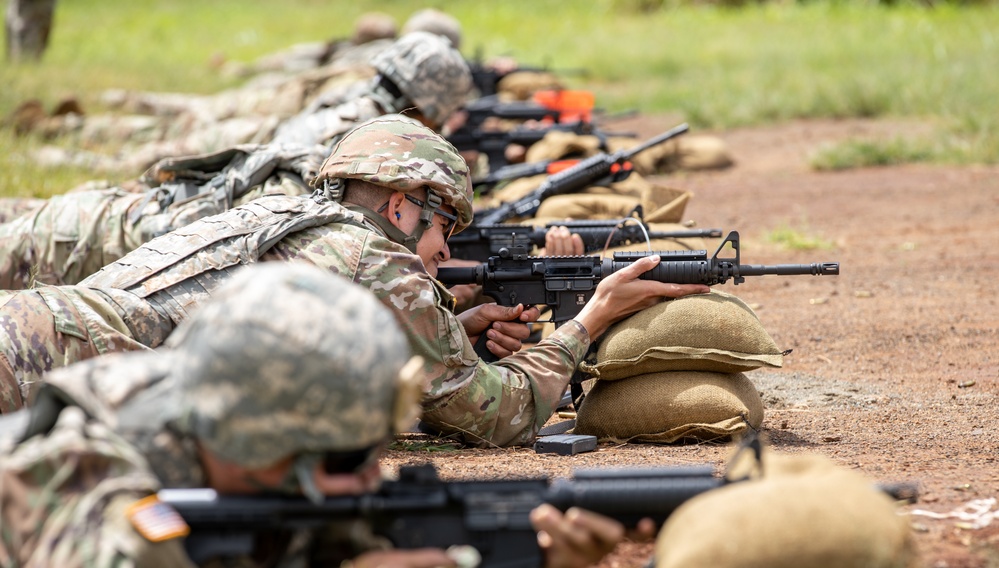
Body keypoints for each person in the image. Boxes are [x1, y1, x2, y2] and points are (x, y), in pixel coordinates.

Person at [0, 116, 709, 447]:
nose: (440, 251)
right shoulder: (377, 262)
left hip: (37, 330)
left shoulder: (279, 213)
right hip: (45, 371)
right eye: (443, 230)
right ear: (400, 204)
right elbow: (497, 414)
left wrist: (447, 333)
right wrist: (591, 319)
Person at [0, 262, 632, 567]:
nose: (368, 478)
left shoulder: (227, 430)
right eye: (348, 457)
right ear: (256, 440)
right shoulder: (87, 481)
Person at [0, 30, 473, 290]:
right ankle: (51, 144)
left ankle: (54, 140)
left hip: (134, 223)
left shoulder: (365, 128)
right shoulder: (355, 153)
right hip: (104, 237)